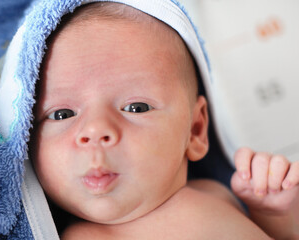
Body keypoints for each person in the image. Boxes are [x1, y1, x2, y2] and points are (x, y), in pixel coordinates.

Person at [29, 2, 299, 239]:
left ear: (195, 130)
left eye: (136, 107)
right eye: (61, 114)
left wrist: (273, 217)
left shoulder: (218, 193)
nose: (96, 130)